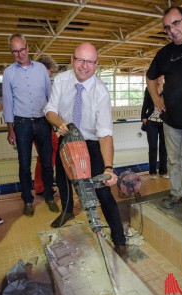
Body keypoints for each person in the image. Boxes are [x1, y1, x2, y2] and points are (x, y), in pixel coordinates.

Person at [44, 42, 127, 258]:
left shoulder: (100, 91)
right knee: (62, 180)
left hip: (90, 143)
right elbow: (50, 110)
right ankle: (67, 211)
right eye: (80, 59)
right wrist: (59, 122)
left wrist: (109, 168)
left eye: (90, 61)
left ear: (96, 64)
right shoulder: (61, 80)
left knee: (102, 190)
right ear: (72, 60)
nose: (84, 66)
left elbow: (105, 132)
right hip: (66, 137)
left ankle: (119, 239)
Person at [2, 33, 59, 217]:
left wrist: (54, 121)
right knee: (24, 164)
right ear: (12, 52)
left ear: (28, 48)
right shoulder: (8, 73)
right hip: (22, 124)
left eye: (22, 49)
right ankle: (27, 200)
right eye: (15, 51)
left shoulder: (42, 69)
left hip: (43, 122)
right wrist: (11, 130)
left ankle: (49, 196)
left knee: (47, 163)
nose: (20, 54)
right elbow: (8, 102)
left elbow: (50, 96)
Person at [146, 6, 182, 209]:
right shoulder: (164, 53)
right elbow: (150, 77)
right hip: (172, 118)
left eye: (176, 23)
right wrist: (155, 98)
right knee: (174, 161)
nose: (172, 30)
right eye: (167, 28)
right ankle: (177, 193)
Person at [34, 56, 58, 196]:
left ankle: (42, 183)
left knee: (44, 156)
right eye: (51, 71)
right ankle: (42, 185)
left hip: (42, 123)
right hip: (41, 123)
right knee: (48, 153)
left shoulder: (41, 83)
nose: (52, 75)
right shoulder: (40, 84)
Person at [141, 76, 168, 180]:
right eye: (157, 77)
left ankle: (163, 171)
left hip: (164, 122)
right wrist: (143, 116)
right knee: (153, 147)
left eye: (161, 76)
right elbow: (145, 103)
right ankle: (152, 172)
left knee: (163, 148)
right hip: (151, 121)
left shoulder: (168, 87)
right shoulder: (149, 88)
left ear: (163, 77)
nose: (159, 78)